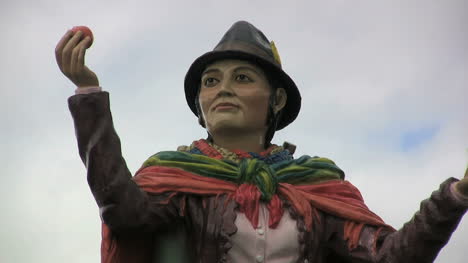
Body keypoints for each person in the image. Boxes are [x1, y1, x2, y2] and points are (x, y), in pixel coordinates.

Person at [56, 21, 468, 263]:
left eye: (243, 78)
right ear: (200, 105)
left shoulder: (317, 182)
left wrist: (455, 196)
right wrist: (89, 96)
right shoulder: (174, 175)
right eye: (211, 81)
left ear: (277, 99)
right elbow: (124, 215)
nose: (224, 90)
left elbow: (389, 255)